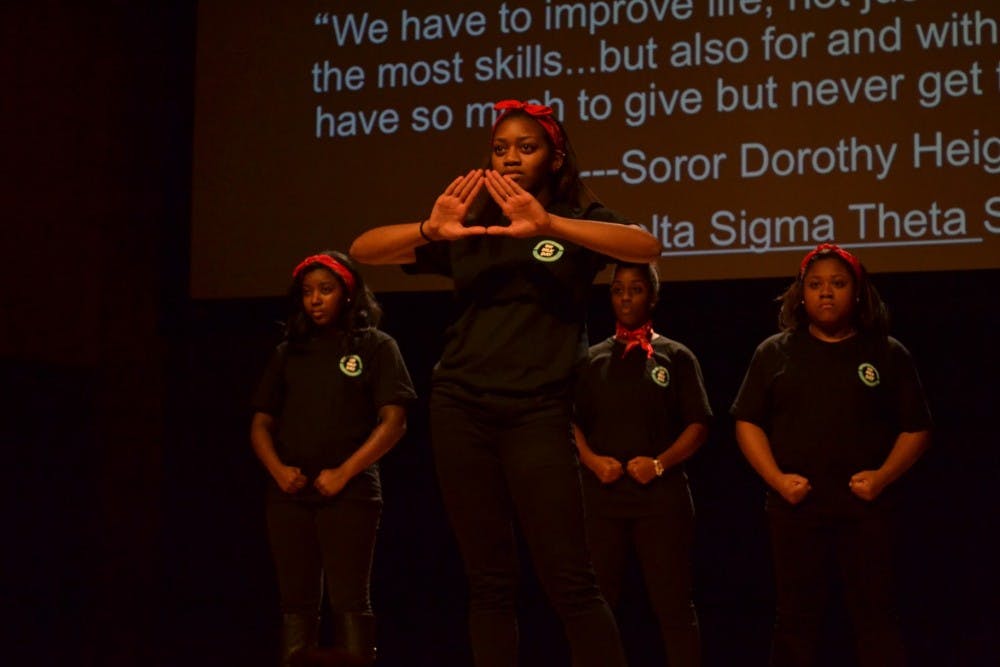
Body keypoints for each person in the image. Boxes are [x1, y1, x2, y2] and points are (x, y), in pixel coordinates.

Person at [349, 99, 662, 667]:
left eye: (526, 146)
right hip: (461, 407)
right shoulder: (473, 225)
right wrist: (430, 228)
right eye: (500, 148)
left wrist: (550, 226)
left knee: (571, 580)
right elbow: (362, 250)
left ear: (555, 156)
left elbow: (646, 246)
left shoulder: (574, 218)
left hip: (539, 412)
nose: (511, 158)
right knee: (489, 582)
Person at [730, 243, 932, 667]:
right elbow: (747, 423)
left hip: (867, 510)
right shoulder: (775, 353)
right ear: (800, 294)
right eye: (816, 284)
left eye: (838, 284)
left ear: (856, 292)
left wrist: (881, 477)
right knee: (795, 623)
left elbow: (916, 428)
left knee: (876, 619)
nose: (826, 293)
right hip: (795, 509)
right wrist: (778, 480)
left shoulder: (887, 353)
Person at [250, 250, 416, 666]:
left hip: (351, 492)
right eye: (307, 292)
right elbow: (260, 424)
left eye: (326, 290)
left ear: (348, 293)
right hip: (289, 493)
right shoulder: (290, 350)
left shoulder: (376, 347)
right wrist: (278, 471)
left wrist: (344, 473)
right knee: (295, 602)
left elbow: (394, 422)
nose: (315, 300)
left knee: (349, 598)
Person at [573, 261, 710, 667]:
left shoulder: (676, 356)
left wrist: (660, 464)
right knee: (596, 608)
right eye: (618, 289)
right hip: (601, 499)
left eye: (635, 289)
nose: (626, 297)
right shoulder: (591, 360)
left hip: (661, 499)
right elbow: (569, 423)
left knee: (673, 606)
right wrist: (594, 462)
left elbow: (698, 425)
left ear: (652, 296)